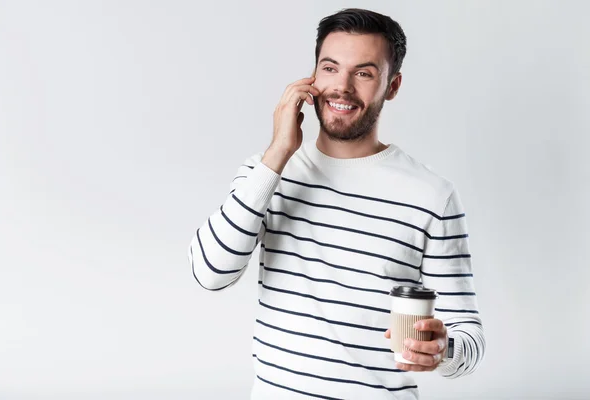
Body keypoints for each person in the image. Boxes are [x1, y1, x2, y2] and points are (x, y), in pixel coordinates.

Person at [189, 7, 485, 399]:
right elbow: (211, 273)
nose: (342, 86)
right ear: (312, 77)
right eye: (330, 68)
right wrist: (278, 152)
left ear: (392, 86)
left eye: (363, 73)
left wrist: (442, 349)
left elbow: (469, 337)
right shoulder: (264, 176)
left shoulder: (431, 195)